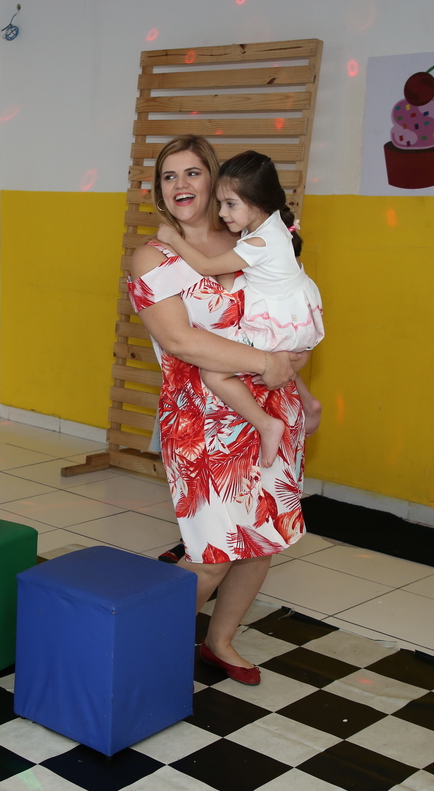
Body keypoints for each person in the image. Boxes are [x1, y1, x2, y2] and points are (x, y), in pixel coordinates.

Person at [129, 135, 308, 685]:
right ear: (159, 190)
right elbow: (180, 340)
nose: (180, 185)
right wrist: (267, 362)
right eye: (169, 176)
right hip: (200, 423)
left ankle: (220, 641)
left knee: (263, 538)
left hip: (271, 413)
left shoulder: (253, 239)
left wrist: (295, 374)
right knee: (213, 553)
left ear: (215, 181)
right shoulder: (152, 257)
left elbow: (288, 311)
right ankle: (138, 654)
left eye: (192, 173)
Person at [157, 150, 324, 468]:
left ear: (257, 202)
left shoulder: (257, 243)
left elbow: (206, 266)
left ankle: (266, 424)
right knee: (282, 357)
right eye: (220, 203)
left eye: (230, 204)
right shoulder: (271, 225)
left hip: (280, 321)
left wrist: (173, 239)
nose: (222, 213)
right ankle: (308, 401)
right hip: (295, 316)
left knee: (214, 372)